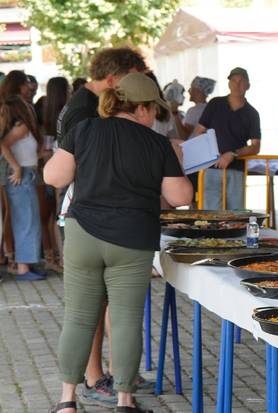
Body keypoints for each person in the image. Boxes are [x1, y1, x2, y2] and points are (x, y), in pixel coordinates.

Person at [45, 72, 192, 413]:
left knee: (79, 316)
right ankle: (125, 401)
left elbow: (54, 177)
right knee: (125, 319)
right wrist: (178, 165)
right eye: (153, 110)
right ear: (141, 109)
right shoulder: (156, 143)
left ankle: (67, 400)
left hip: (84, 233)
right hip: (132, 238)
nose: (154, 116)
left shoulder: (84, 130)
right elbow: (179, 196)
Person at [56, 46, 148, 409]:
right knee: (90, 309)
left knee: (96, 307)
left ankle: (96, 382)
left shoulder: (81, 103)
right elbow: (73, 167)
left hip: (88, 216)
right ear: (113, 80)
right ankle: (95, 377)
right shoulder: (83, 111)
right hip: (88, 217)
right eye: (131, 80)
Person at [192, 67, 261, 210]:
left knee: (236, 216)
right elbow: (199, 131)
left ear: (248, 85)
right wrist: (211, 154)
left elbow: (256, 146)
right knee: (211, 216)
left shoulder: (252, 113)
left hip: (236, 170)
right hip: (210, 168)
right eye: (233, 80)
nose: (237, 84)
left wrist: (233, 154)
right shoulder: (215, 104)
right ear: (228, 84)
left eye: (241, 81)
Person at [0, 92, 44, 281]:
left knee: (27, 219)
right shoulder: (21, 125)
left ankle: (26, 264)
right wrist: (17, 167)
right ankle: (23, 267)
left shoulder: (17, 126)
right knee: (26, 220)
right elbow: (4, 145)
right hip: (22, 176)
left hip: (26, 174)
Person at [40, 76, 71, 271]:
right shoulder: (68, 114)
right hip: (65, 168)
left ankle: (59, 257)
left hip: (52, 168)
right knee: (62, 214)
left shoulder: (47, 115)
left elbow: (46, 148)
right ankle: (63, 258)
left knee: (56, 215)